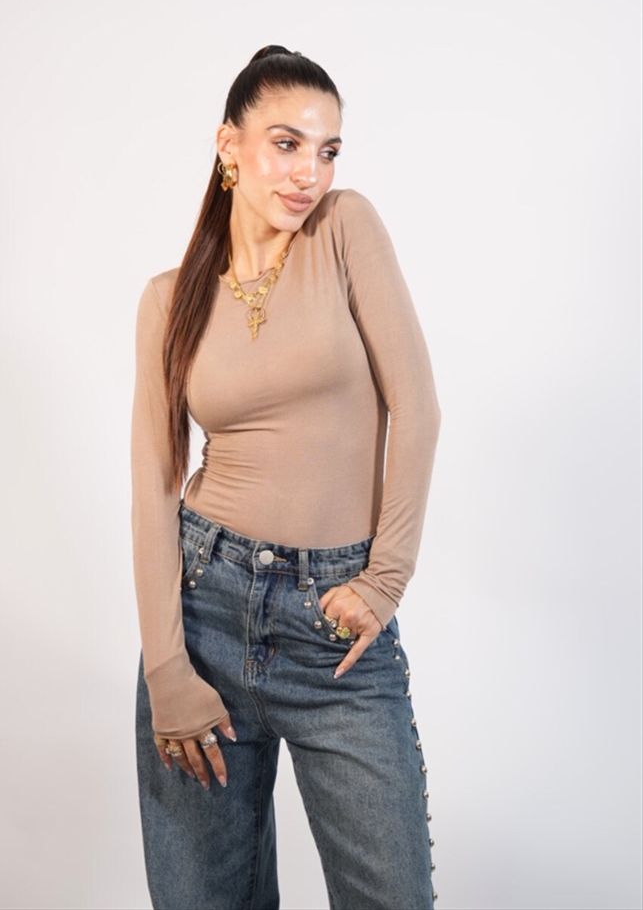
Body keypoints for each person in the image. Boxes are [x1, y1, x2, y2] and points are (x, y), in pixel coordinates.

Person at [131, 45, 441, 910]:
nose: (311, 171)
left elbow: (416, 406)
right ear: (228, 146)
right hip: (203, 615)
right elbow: (153, 486)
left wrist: (383, 579)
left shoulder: (344, 229)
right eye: (286, 143)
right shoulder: (168, 299)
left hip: (333, 630)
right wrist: (166, 667)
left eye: (327, 149)